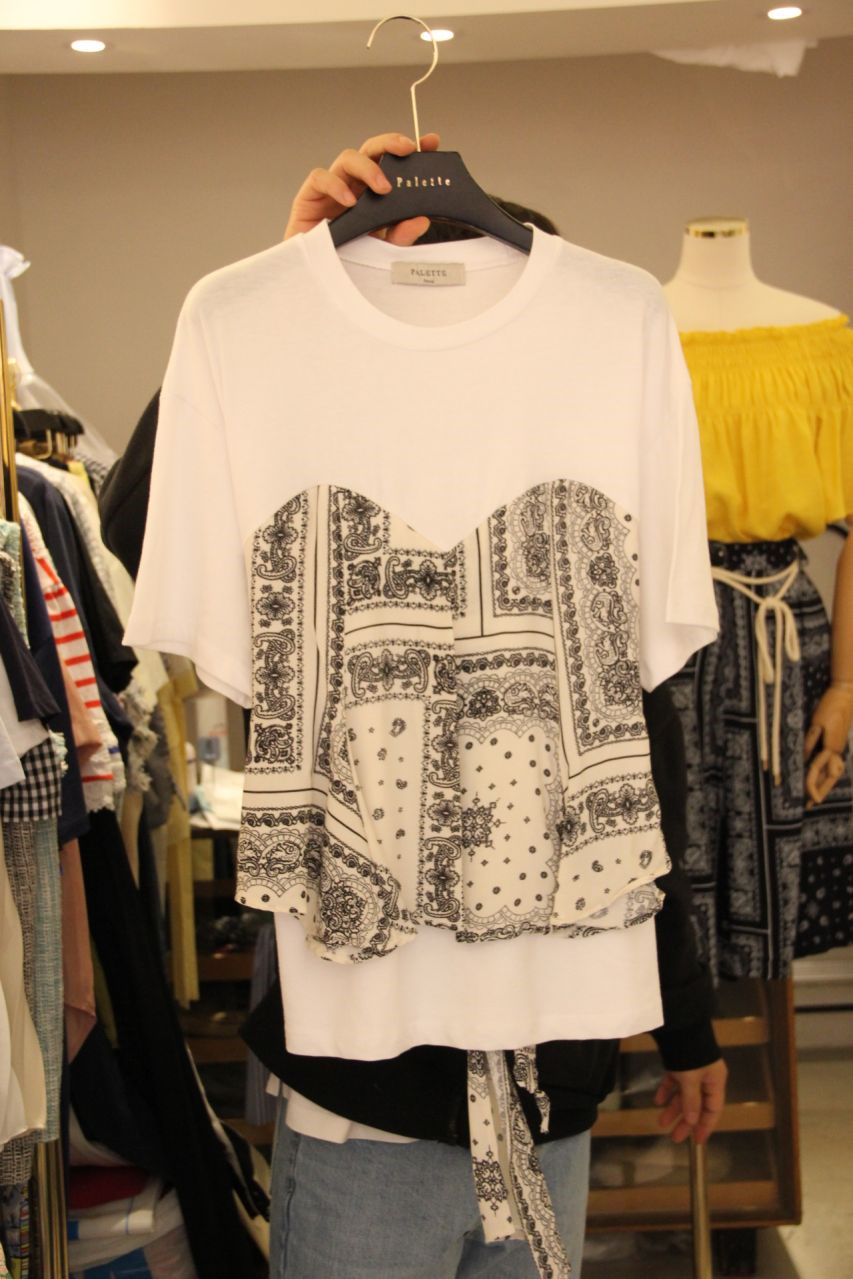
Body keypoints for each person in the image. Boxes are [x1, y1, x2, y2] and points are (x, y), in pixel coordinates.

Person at [102, 130, 728, 1278]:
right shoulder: (263, 346)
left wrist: (682, 1022)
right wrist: (283, 297)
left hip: (549, 1078)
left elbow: (647, 772)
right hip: (364, 1094)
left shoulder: (614, 341)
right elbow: (143, 530)